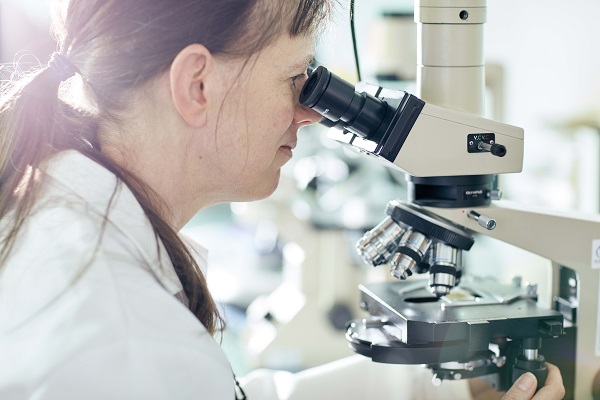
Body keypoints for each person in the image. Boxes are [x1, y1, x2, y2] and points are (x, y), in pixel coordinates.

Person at [0, 0, 564, 399]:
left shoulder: (63, 213)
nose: (313, 113)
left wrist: (436, 391)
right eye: (296, 79)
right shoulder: (125, 341)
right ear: (198, 85)